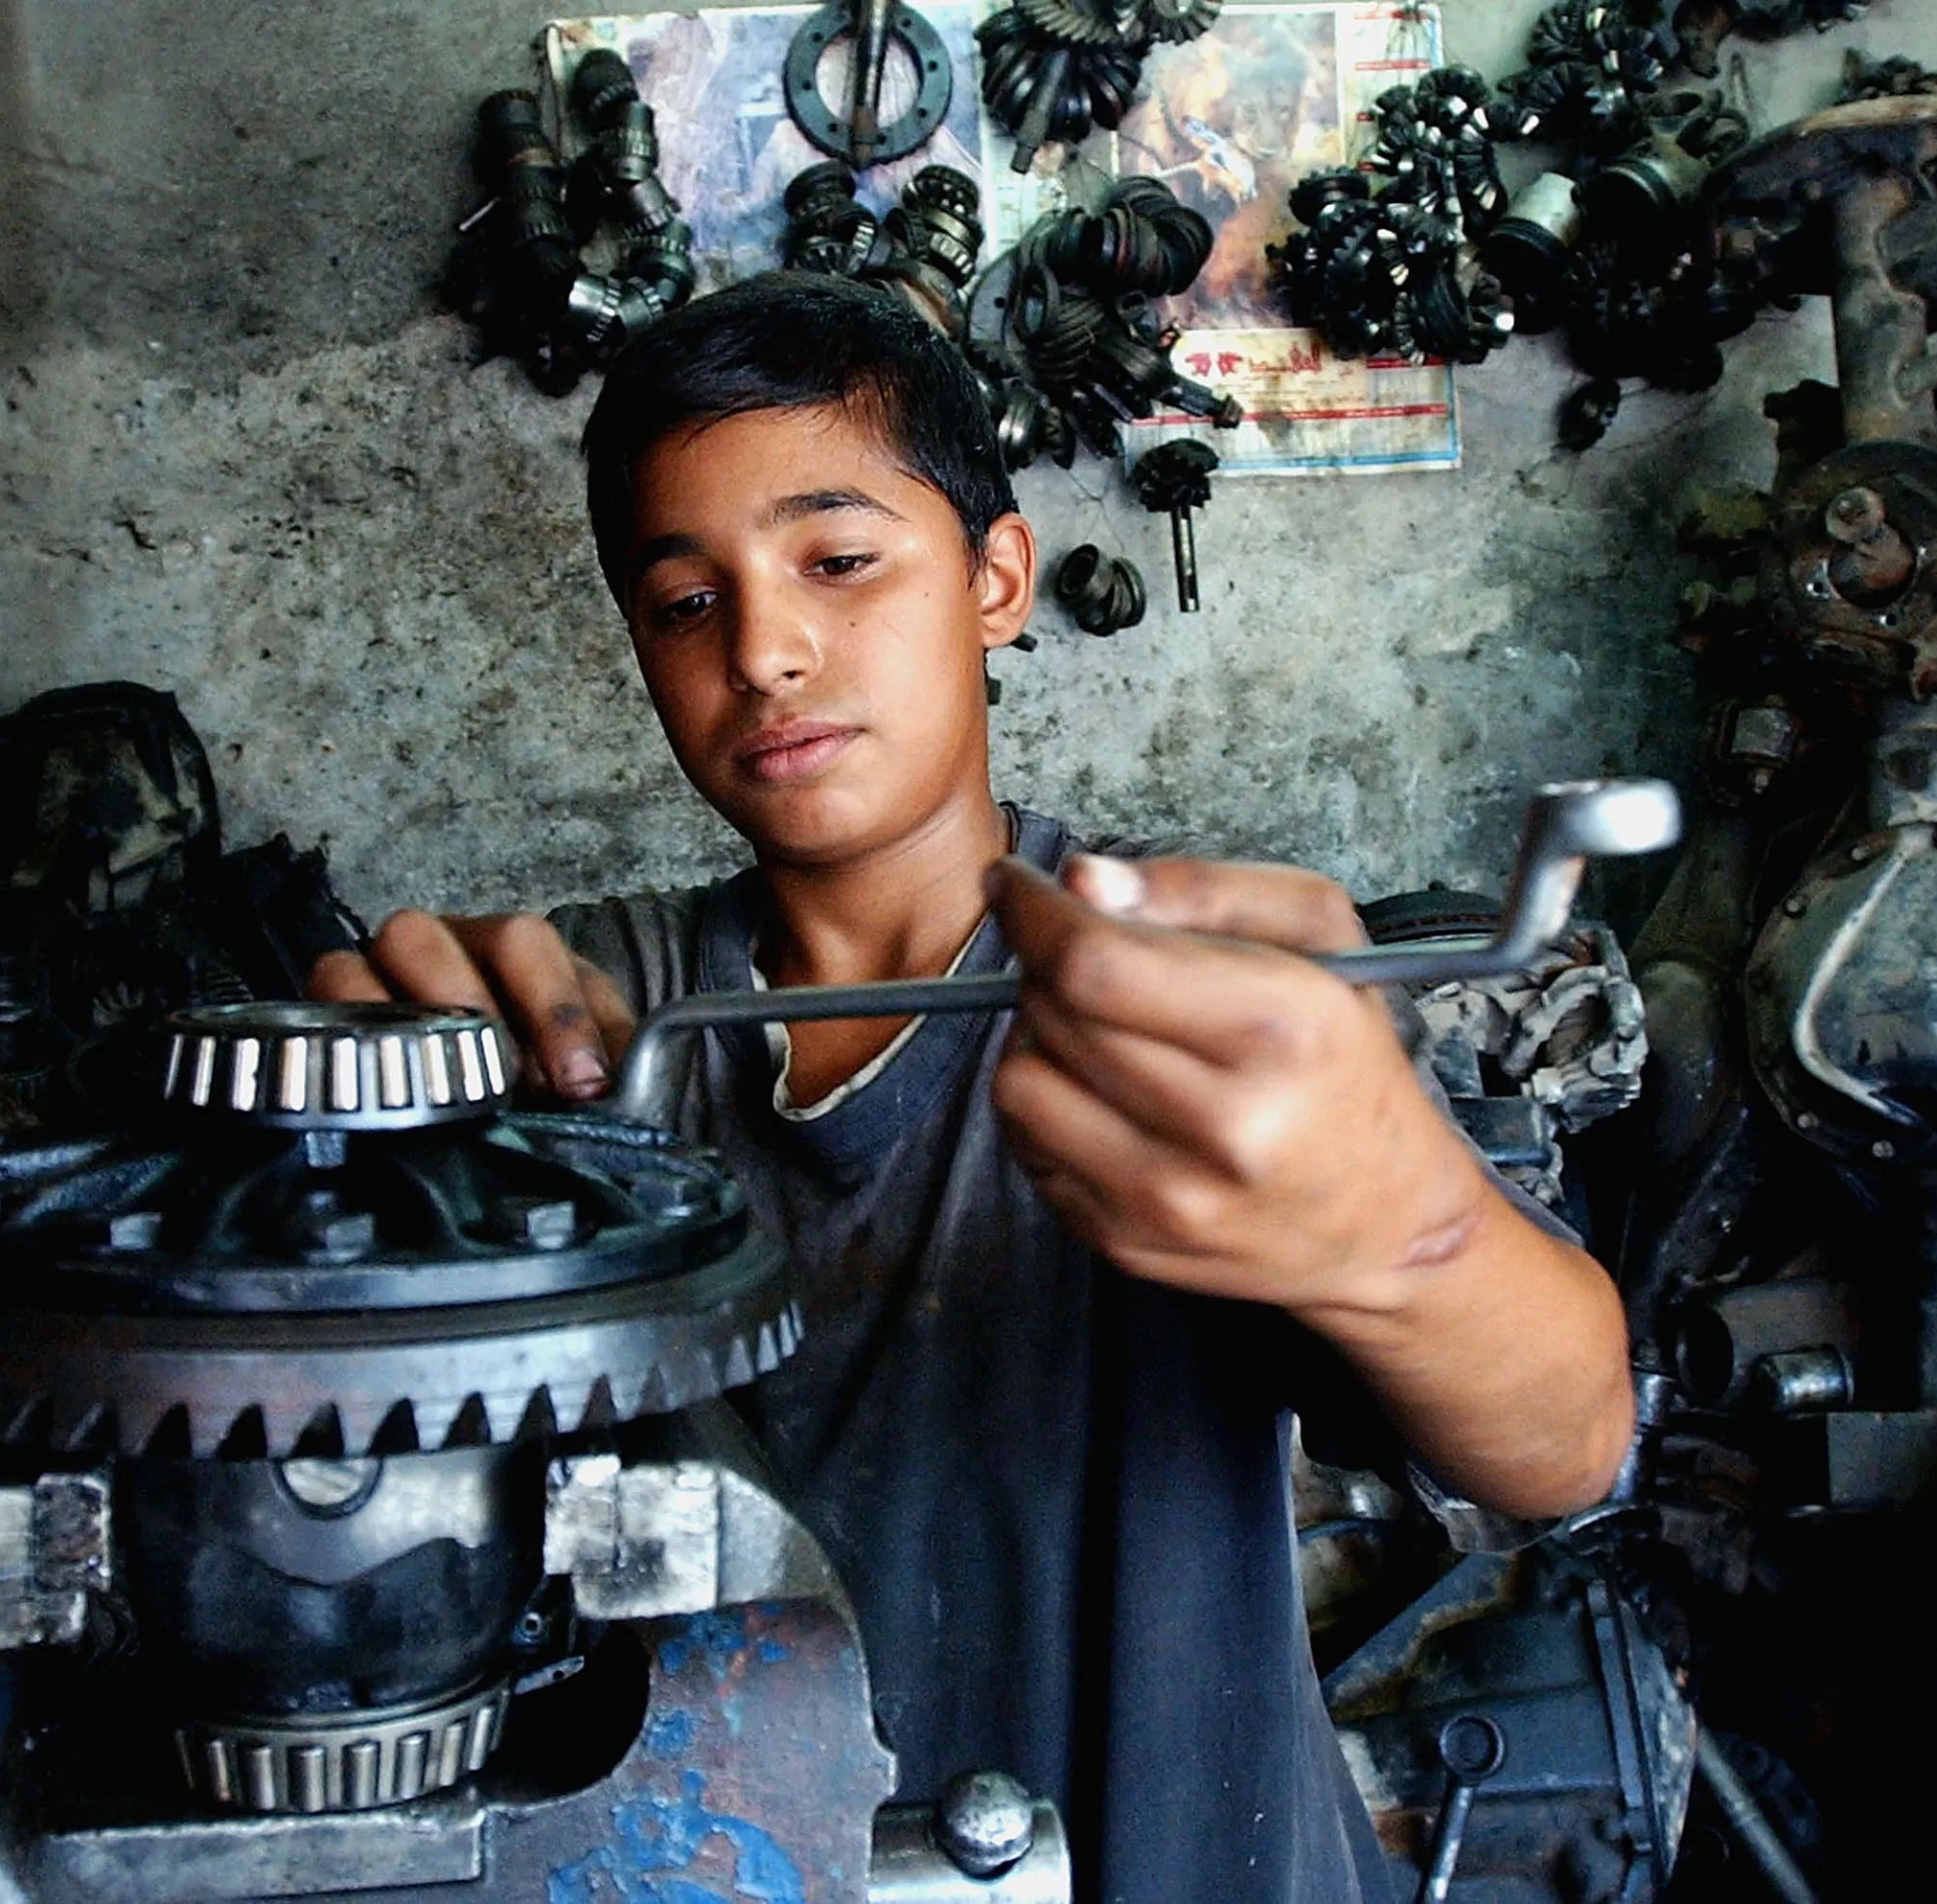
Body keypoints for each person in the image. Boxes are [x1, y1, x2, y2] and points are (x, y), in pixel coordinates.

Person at [311, 270, 1633, 1904]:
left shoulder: (1189, 1012)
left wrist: (1404, 1233)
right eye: (686, 601)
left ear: (995, 578)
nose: (766, 650)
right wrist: (376, 1130)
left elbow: (1568, 1442)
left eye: (838, 560)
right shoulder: (584, 1026)